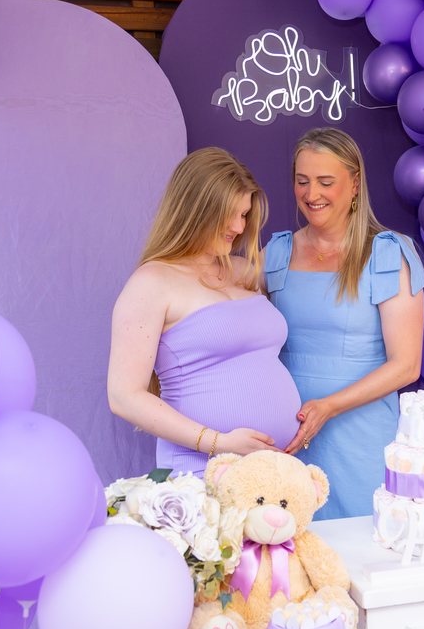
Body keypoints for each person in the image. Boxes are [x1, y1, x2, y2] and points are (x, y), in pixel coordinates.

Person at [264, 128, 424, 519]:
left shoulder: (387, 253)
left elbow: (407, 365)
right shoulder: (276, 252)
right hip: (287, 435)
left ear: (354, 184)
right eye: (302, 181)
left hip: (360, 438)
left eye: (325, 182)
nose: (311, 194)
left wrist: (329, 407)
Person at [108, 148, 300, 473]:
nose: (238, 227)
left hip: (272, 472)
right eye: (230, 214)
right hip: (200, 471)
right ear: (197, 209)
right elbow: (123, 396)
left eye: (244, 214)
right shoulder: (152, 282)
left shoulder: (244, 271)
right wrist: (219, 442)